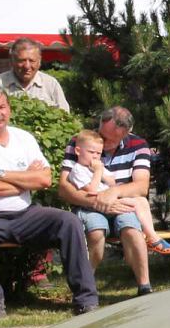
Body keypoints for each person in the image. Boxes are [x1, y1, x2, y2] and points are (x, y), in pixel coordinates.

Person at [0, 86, 98, 317]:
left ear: (9, 109)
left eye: (2, 107)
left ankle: (86, 299)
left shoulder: (24, 138)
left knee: (68, 222)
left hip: (25, 214)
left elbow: (44, 179)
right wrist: (24, 181)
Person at [57, 106, 158, 296]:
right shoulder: (81, 142)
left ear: (127, 133)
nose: (106, 144)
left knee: (131, 229)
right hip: (89, 205)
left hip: (122, 204)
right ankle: (84, 288)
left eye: (113, 139)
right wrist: (96, 203)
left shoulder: (138, 145)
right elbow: (64, 188)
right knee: (96, 233)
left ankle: (145, 286)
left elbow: (142, 186)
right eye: (104, 136)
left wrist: (114, 193)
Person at [62, 130, 170, 256]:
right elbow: (91, 190)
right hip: (96, 204)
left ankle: (152, 236)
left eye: (98, 153)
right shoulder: (77, 170)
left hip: (109, 200)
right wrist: (98, 172)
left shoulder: (97, 167)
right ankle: (153, 239)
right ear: (78, 151)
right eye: (91, 152)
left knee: (141, 201)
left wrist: (111, 183)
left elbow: (112, 182)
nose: (95, 156)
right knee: (137, 204)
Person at [0, 38, 71, 112]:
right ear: (12, 61)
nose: (27, 66)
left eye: (32, 61)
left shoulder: (51, 84)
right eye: (22, 60)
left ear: (39, 62)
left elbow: (65, 115)